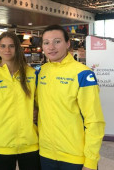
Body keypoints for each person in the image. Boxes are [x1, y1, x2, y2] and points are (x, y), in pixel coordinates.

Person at [37, 25, 105, 170]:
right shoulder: (41, 72)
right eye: (46, 42)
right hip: (46, 154)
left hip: (75, 156)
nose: (51, 47)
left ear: (68, 43)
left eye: (57, 41)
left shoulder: (82, 74)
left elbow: (94, 121)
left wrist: (91, 161)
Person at [0, 32, 40, 170]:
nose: (7, 50)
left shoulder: (32, 74)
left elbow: (44, 104)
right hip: (1, 145)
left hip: (30, 144)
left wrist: (37, 111)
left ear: (17, 48)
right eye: (3, 46)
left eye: (11, 46)